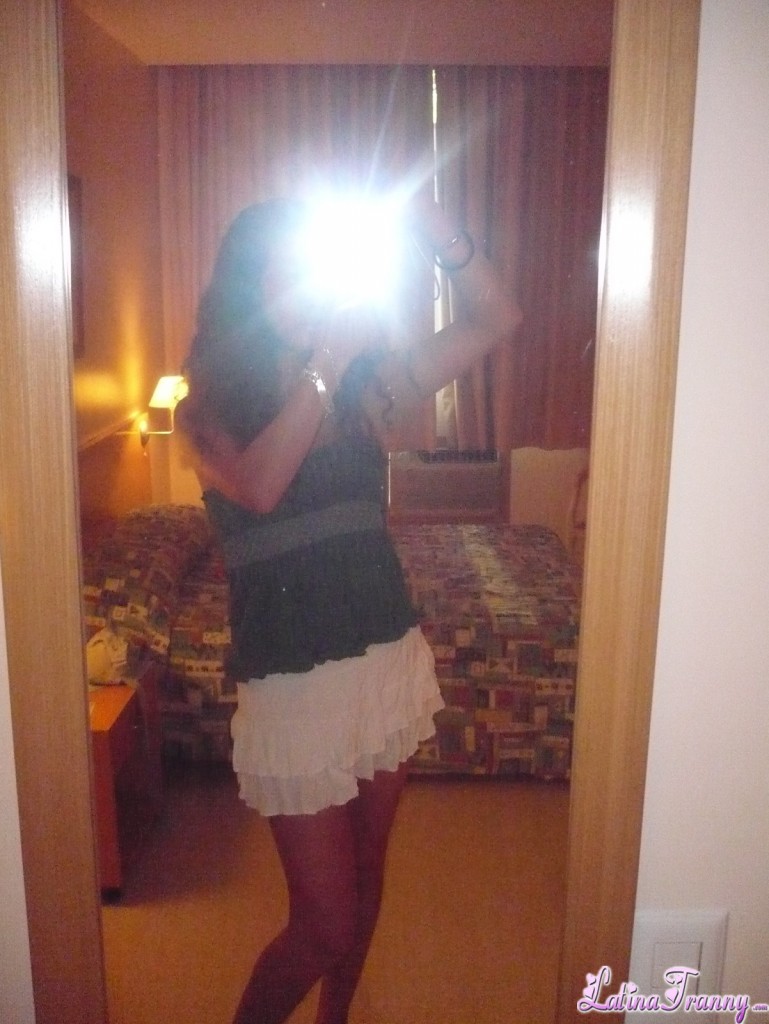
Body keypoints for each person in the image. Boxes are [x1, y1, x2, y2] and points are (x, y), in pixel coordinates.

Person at [177, 194, 521, 1024]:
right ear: (248, 292)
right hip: (291, 684)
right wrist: (327, 360)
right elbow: (262, 486)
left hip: (382, 658)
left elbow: (497, 318)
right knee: (321, 923)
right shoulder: (205, 413)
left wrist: (444, 234)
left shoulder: (367, 392)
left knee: (367, 879)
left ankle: (335, 1016)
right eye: (288, 272)